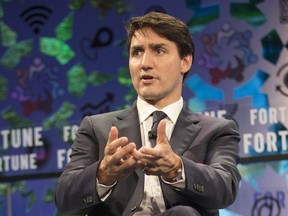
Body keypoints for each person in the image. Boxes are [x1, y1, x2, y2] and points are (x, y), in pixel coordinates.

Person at [55, 11, 241, 216]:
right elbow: (65, 199)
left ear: (185, 61)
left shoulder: (216, 131)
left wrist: (177, 169)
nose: (145, 63)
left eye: (159, 50)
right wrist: (103, 174)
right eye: (137, 52)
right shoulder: (97, 128)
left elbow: (225, 189)